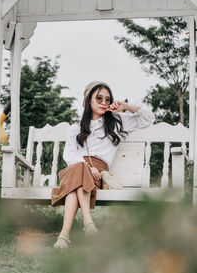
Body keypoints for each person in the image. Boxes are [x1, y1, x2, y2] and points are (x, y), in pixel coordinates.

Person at [51, 81, 155, 248]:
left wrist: (125, 105)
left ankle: (64, 236)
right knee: (78, 171)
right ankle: (88, 223)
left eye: (108, 99)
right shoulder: (75, 128)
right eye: (99, 99)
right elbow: (69, 154)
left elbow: (148, 118)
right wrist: (85, 166)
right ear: (88, 101)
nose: (104, 103)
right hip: (79, 170)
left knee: (74, 182)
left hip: (97, 176)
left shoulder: (116, 121)